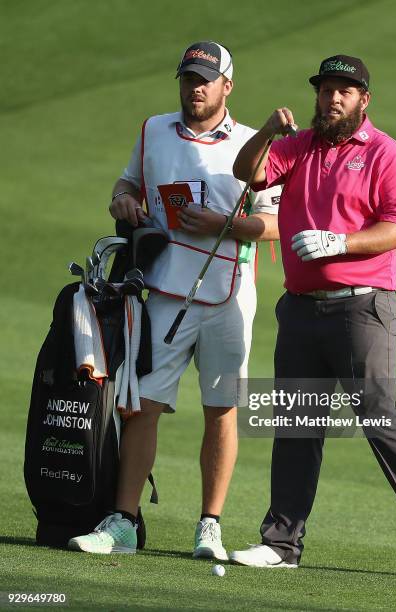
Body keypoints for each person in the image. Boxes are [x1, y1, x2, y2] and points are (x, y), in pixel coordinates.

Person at [229, 54, 396, 578]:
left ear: (364, 99)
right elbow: (246, 174)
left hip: (362, 305)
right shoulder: (297, 147)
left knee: (378, 413)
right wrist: (268, 134)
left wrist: (337, 242)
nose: (333, 99)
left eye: (345, 91)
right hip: (301, 309)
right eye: (326, 91)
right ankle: (281, 542)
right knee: (297, 422)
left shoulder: (388, 155)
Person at [68, 41, 280, 559]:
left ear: (227, 86)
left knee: (221, 410)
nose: (196, 88)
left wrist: (224, 227)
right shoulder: (154, 129)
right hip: (161, 292)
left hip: (229, 296)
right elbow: (129, 183)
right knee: (141, 408)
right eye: (188, 79)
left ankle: (210, 526)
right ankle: (123, 522)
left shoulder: (253, 144)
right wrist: (122, 198)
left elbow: (274, 224)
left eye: (206, 79)